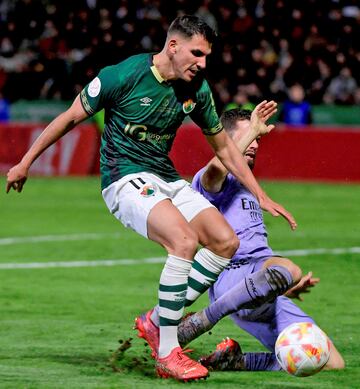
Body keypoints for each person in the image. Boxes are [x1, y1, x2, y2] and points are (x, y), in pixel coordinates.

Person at [6, 15, 296, 381]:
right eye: (196, 54)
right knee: (184, 241)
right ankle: (168, 352)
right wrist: (25, 163)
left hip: (164, 177)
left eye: (206, 56)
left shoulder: (197, 89)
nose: (202, 63)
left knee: (225, 242)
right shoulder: (121, 75)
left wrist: (261, 194)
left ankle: (158, 321)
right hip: (123, 178)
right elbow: (68, 118)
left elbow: (223, 146)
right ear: (172, 46)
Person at [137, 106, 344, 372]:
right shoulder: (211, 179)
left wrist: (281, 285)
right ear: (228, 140)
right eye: (251, 135)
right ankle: (202, 320)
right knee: (290, 268)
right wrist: (280, 274)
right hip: (231, 274)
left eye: (258, 137)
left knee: (331, 362)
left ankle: (237, 361)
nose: (256, 144)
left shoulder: (246, 183)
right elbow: (215, 169)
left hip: (257, 284)